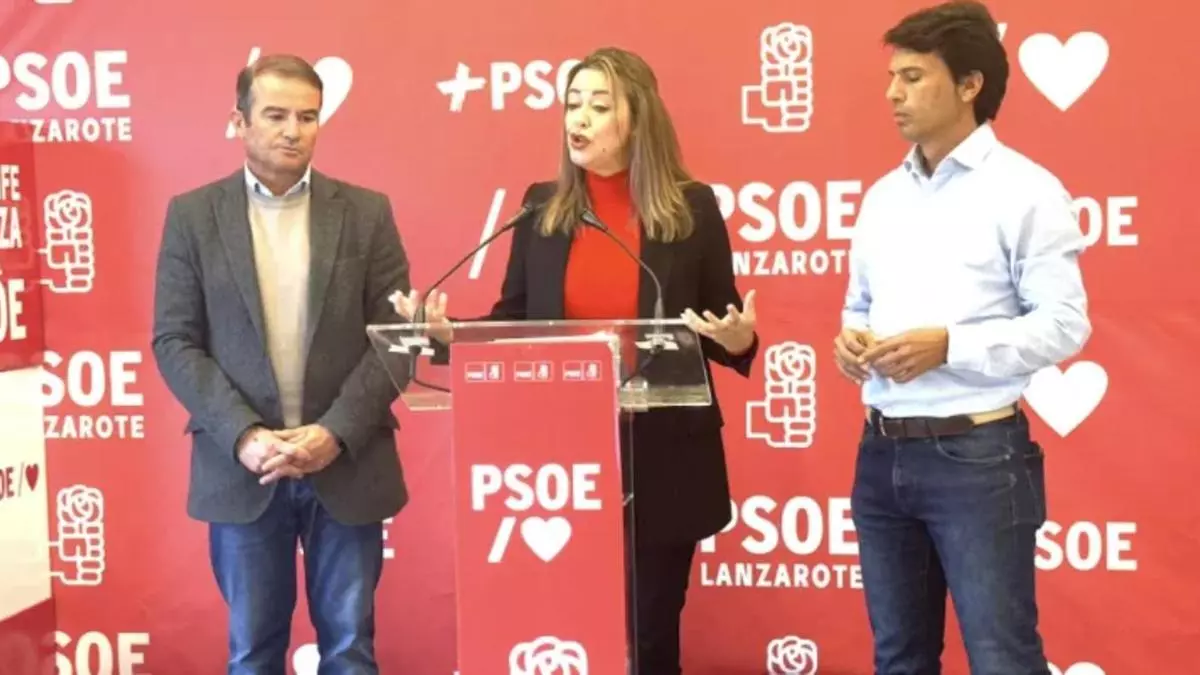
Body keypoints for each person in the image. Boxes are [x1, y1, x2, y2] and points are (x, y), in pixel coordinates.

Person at [394, 47, 759, 675]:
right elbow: (516, 321)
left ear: (638, 119)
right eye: (572, 104)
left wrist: (737, 338)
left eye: (599, 105)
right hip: (558, 458)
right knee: (564, 628)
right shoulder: (542, 208)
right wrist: (448, 334)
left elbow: (719, 326)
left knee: (648, 634)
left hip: (662, 454)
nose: (579, 119)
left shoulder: (691, 208)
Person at [834, 2, 1091, 673]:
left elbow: (1064, 322)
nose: (893, 93)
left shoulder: (1026, 191)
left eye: (913, 77)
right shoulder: (883, 197)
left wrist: (950, 345)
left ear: (970, 84)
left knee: (1002, 657)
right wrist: (852, 339)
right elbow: (859, 303)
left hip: (977, 455)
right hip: (880, 450)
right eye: (892, 77)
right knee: (899, 658)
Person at [150, 53, 411, 674]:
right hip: (244, 470)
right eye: (275, 115)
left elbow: (398, 338)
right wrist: (244, 435)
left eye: (307, 117)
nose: (294, 130)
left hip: (346, 464)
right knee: (252, 654)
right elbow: (174, 340)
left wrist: (334, 433)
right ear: (239, 121)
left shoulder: (366, 213)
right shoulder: (193, 216)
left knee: (350, 650)